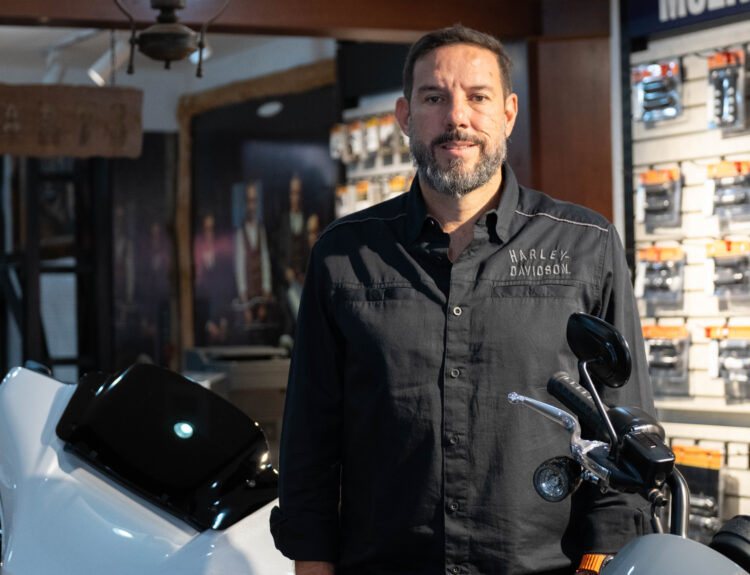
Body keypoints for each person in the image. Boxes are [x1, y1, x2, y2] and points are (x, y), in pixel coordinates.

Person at [270, 25, 654, 575]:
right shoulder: (343, 254)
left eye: (478, 97)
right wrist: (311, 563)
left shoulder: (586, 246)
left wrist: (599, 562)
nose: (457, 117)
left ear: (508, 114)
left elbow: (625, 426)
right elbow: (310, 436)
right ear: (405, 116)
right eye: (434, 98)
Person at [234, 181, 272, 325]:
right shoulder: (240, 232)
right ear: (244, 204)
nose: (252, 206)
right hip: (247, 299)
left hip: (261, 297)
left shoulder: (261, 230)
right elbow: (240, 269)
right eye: (249, 201)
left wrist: (264, 303)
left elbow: (265, 262)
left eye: (254, 201)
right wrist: (245, 308)